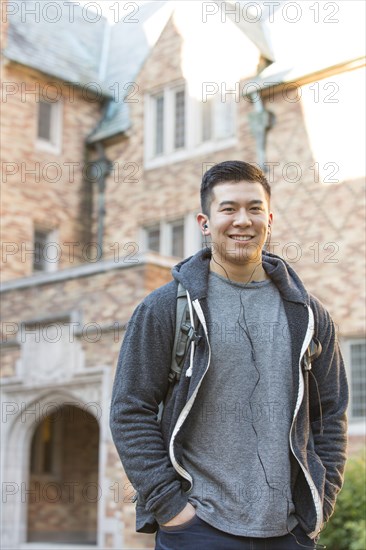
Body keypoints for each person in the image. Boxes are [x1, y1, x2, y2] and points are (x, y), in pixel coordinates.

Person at [110, 161, 348, 550]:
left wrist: (320, 504)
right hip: (197, 529)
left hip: (290, 532)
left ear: (269, 219)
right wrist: (172, 510)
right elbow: (129, 410)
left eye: (254, 209)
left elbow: (330, 413)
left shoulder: (308, 315)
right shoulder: (166, 308)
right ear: (205, 222)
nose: (243, 220)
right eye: (229, 208)